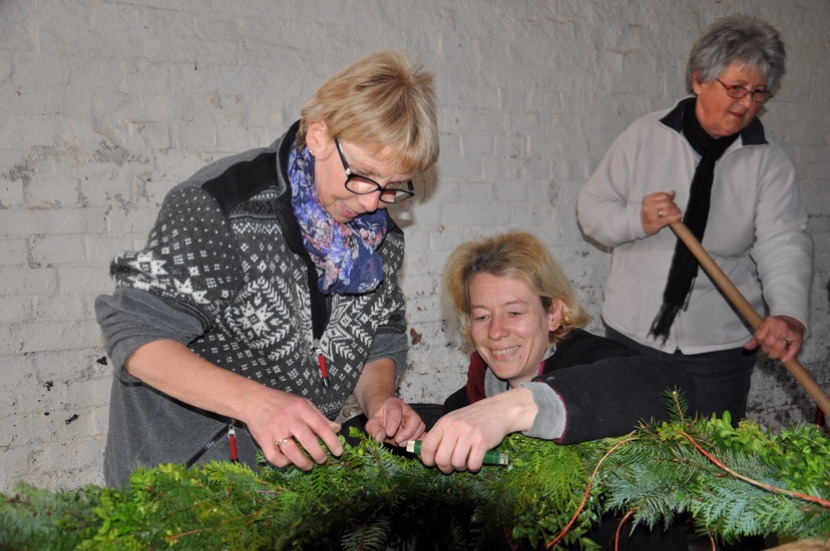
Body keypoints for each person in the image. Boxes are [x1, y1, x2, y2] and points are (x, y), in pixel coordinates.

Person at [95, 50, 438, 487]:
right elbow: (138, 337)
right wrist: (257, 403)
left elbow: (380, 333)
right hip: (178, 482)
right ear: (318, 136)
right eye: (364, 176)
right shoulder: (220, 206)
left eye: (392, 188)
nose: (373, 203)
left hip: (293, 485)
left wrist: (381, 400)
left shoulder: (379, 236)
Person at [577, 14, 812, 423]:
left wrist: (788, 312)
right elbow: (592, 212)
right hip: (632, 337)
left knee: (712, 465)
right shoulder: (644, 136)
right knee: (631, 453)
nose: (746, 104)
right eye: (736, 88)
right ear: (699, 79)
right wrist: (638, 219)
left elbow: (783, 241)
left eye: (759, 93)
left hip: (718, 351)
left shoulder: (767, 160)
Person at [418, 232, 696, 549]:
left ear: (552, 313)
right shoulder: (466, 405)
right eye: (482, 316)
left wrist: (514, 408)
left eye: (514, 312)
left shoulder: (592, 359)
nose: (496, 331)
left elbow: (671, 385)